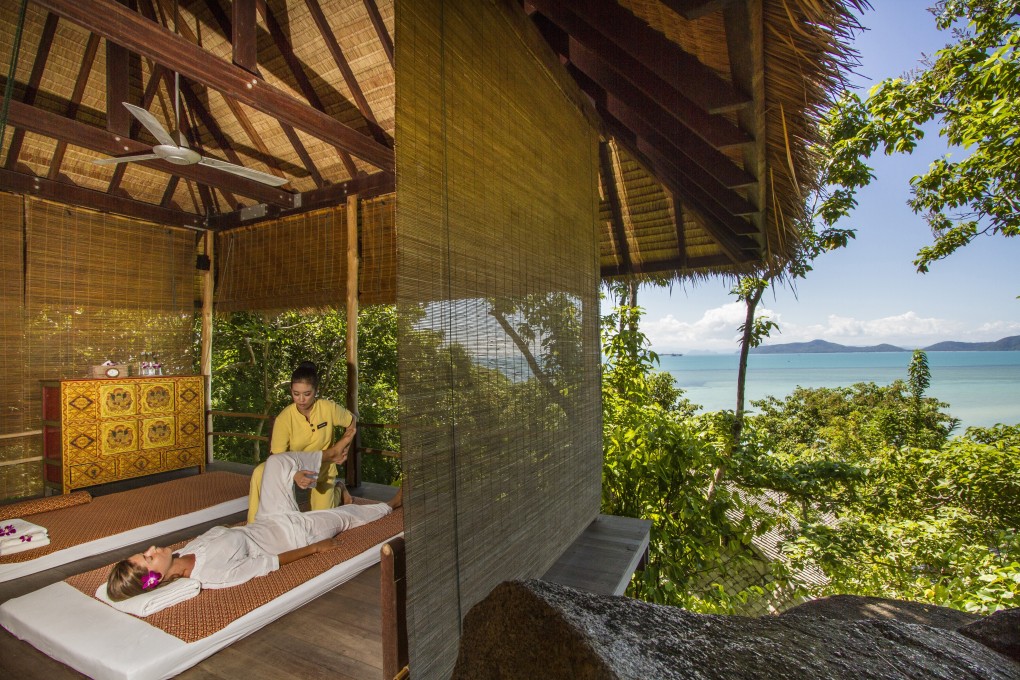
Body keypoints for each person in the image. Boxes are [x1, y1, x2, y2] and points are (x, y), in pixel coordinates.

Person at [106, 443, 401, 600]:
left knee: (276, 464)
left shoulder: (186, 552)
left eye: (145, 552)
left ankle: (328, 456)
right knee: (345, 517)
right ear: (154, 578)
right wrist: (315, 548)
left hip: (268, 517)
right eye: (148, 557)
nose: (153, 548)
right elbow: (269, 564)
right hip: (295, 534)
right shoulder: (214, 574)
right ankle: (390, 505)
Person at [247, 361, 357, 523]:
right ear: (291, 391)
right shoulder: (284, 418)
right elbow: (277, 458)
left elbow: (352, 421)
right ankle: (253, 524)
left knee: (322, 521)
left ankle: (338, 489)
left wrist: (343, 447)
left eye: (307, 394)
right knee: (260, 472)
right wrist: (294, 474)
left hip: (323, 467)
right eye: (296, 393)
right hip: (294, 466)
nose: (301, 399)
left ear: (315, 391)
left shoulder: (328, 408)